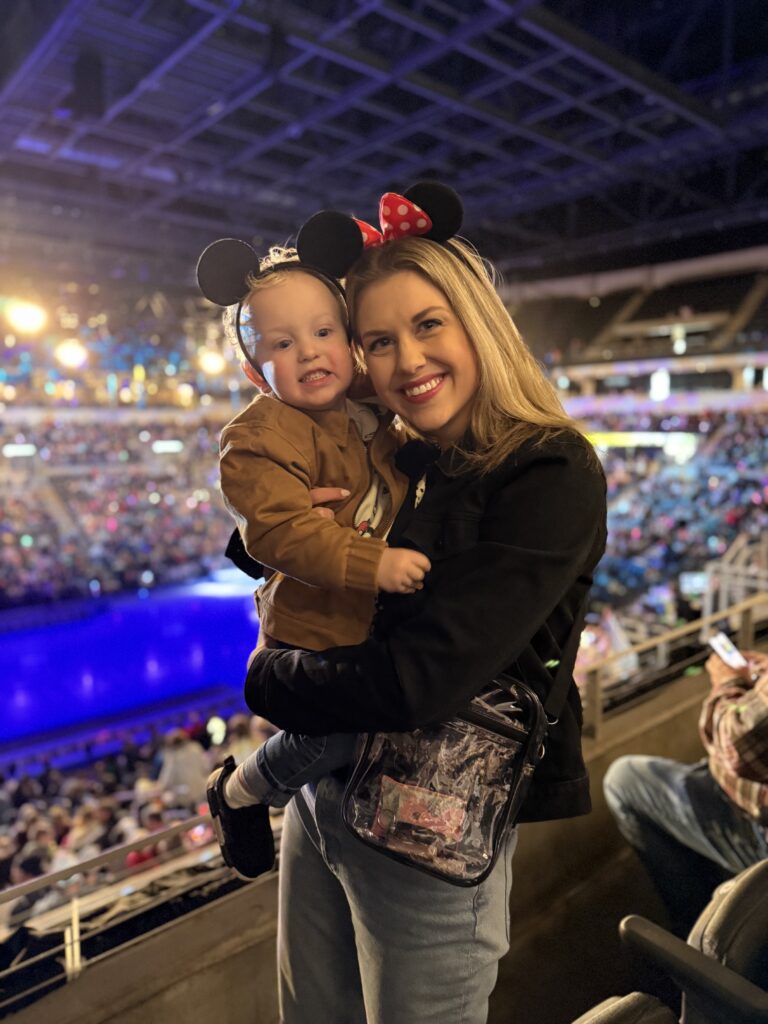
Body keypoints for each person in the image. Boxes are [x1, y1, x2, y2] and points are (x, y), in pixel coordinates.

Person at [240, 183, 608, 1024]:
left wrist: (268, 679)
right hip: (322, 802)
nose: (405, 361)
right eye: (377, 340)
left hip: (430, 832)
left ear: (478, 319)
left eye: (428, 324)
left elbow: (416, 681)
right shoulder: (403, 460)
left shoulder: (548, 471)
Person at [198, 242, 430, 878]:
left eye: (324, 331)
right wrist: (372, 563)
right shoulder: (257, 436)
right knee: (342, 730)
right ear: (254, 371)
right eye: (280, 343)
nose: (307, 351)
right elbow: (280, 532)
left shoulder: (370, 402)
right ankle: (239, 790)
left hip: (365, 621)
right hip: (313, 628)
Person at [604, 647, 768, 936]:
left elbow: (737, 743)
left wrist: (727, 681)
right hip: (742, 788)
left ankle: (697, 933)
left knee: (624, 780)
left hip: (757, 827)